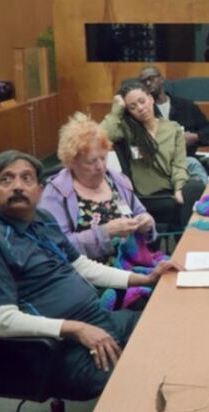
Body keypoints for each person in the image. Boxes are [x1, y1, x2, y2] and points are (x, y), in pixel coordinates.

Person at [0, 150, 182, 400]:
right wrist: (77, 329)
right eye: (6, 180)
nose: (17, 186)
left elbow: (82, 266)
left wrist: (145, 279)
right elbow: (3, 321)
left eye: (26, 178)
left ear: (40, 190)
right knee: (145, 379)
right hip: (60, 349)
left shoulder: (43, 219)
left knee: (171, 330)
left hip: (99, 319)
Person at [40, 113, 169, 311]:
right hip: (88, 280)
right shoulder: (56, 194)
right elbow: (56, 248)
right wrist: (105, 233)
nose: (100, 167)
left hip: (130, 263)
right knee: (153, 305)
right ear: (72, 162)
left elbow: (141, 213)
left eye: (103, 158)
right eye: (91, 162)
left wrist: (146, 222)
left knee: (170, 283)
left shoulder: (116, 180)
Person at [101, 81, 205, 232]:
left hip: (171, 189)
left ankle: (187, 238)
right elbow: (98, 137)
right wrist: (116, 110)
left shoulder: (172, 128)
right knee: (189, 202)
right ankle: (185, 236)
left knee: (195, 187)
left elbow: (179, 164)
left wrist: (179, 187)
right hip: (148, 196)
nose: (140, 108)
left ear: (150, 98)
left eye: (142, 101)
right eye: (132, 107)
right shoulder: (127, 131)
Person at [139, 65, 209, 182]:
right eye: (144, 81)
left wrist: (195, 137)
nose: (149, 83)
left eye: (152, 78)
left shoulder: (185, 106)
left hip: (187, 157)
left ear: (162, 79)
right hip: (160, 164)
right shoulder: (144, 112)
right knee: (194, 166)